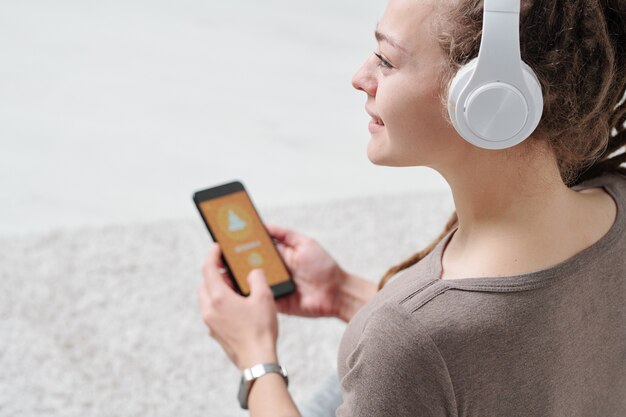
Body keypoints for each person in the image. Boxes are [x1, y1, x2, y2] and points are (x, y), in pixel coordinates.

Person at [197, 0, 626, 415]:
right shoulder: (615, 196)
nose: (360, 76)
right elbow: (496, 349)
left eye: (385, 59)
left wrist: (256, 359)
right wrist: (343, 292)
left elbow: (434, 345)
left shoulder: (404, 338)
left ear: (485, 96)